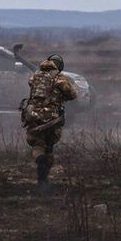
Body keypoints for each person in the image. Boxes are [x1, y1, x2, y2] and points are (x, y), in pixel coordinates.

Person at [21, 54, 77, 190]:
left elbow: (32, 84)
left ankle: (41, 172)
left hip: (33, 115)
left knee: (37, 143)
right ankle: (44, 179)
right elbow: (72, 95)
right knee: (49, 146)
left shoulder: (35, 75)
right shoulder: (59, 78)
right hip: (51, 118)